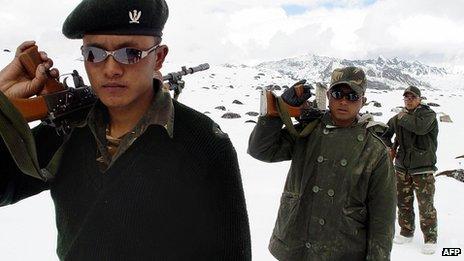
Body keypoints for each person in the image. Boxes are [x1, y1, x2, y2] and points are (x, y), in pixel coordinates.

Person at [0, 0, 251, 260]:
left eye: (130, 53)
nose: (111, 70)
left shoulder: (204, 142)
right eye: (94, 54)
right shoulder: (68, 128)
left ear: (159, 57)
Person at [248, 67, 396, 260]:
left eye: (352, 96)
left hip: (342, 250)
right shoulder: (308, 130)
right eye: (337, 94)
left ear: (363, 101)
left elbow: (382, 219)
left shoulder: (374, 150)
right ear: (328, 96)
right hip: (296, 244)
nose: (343, 101)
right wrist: (277, 112)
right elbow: (261, 150)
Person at [383, 86, 438, 255]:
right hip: (402, 167)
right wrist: (388, 147)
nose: (408, 100)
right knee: (403, 202)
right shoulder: (399, 117)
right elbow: (385, 131)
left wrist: (401, 116)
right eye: (406, 97)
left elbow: (419, 127)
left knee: (425, 205)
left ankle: (430, 238)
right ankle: (406, 232)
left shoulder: (428, 115)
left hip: (423, 168)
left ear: (419, 99)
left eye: (412, 97)